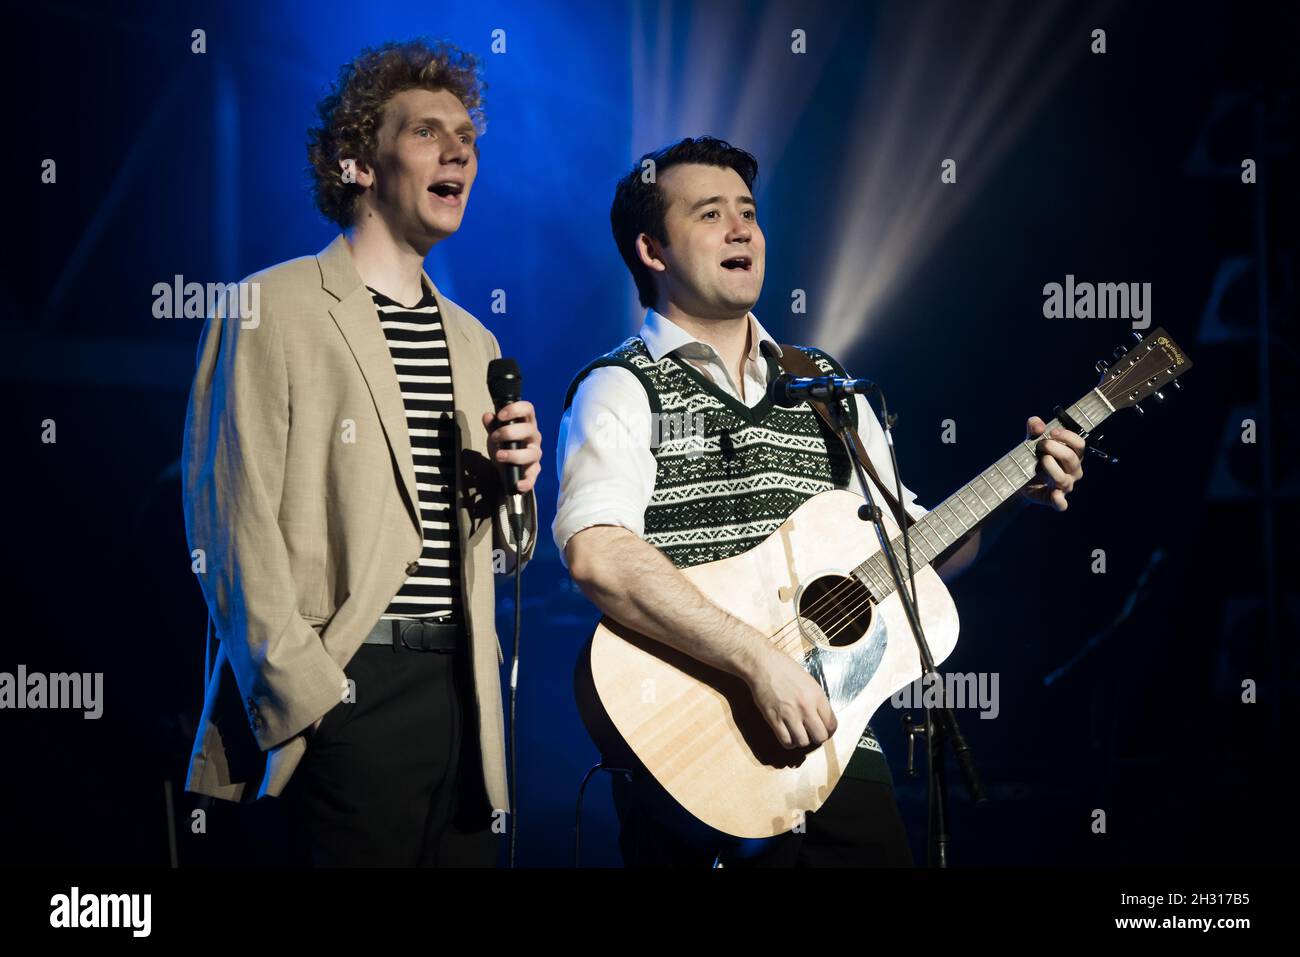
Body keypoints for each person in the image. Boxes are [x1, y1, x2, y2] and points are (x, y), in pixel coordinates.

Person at [553, 136, 1084, 866]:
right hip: (691, 749)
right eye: (711, 214)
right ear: (652, 250)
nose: (743, 229)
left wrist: (1015, 491)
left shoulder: (826, 385)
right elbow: (597, 553)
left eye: (748, 211)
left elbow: (914, 561)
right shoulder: (620, 385)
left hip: (837, 742)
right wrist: (755, 661)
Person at [181, 38, 542, 867]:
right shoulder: (269, 306)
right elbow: (227, 526)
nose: (459, 151)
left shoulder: (472, 338)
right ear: (357, 164)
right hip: (345, 686)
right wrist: (312, 697)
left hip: (463, 698)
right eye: (426, 134)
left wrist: (516, 485)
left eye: (467, 138)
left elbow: (505, 553)